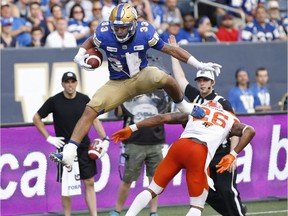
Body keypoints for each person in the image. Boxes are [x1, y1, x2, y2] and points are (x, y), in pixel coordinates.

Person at [58, 3, 221, 167]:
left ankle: (183, 106)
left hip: (142, 75)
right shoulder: (104, 31)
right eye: (117, 27)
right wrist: (80, 55)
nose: (119, 31)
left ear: (134, 24)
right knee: (90, 109)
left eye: (123, 27)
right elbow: (90, 41)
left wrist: (199, 64)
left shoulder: (144, 32)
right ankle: (70, 151)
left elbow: (171, 50)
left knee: (166, 79)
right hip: (117, 82)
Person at [111, 100, 256, 216]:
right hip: (199, 151)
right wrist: (233, 154)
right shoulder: (230, 118)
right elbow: (250, 130)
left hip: (179, 146)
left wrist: (132, 128)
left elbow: (162, 118)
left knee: (152, 190)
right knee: (197, 207)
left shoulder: (196, 109)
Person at [169, 35, 247, 216]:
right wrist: (174, 52)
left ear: (213, 82)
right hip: (202, 155)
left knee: (227, 190)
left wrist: (232, 155)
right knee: (207, 193)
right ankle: (235, 213)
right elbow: (179, 77)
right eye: (200, 80)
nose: (202, 82)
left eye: (205, 80)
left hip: (221, 153)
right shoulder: (194, 96)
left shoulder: (223, 103)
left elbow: (235, 130)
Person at [32, 71, 109, 216]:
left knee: (89, 182)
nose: (70, 85)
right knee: (67, 187)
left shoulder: (84, 99)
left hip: (84, 146)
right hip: (65, 149)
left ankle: (94, 214)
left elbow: (95, 119)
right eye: (67, 82)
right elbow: (36, 118)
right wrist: (48, 137)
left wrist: (105, 138)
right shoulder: (54, 101)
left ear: (76, 83)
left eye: (72, 81)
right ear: (62, 84)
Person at [110, 89, 171, 216]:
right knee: (128, 179)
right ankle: (117, 211)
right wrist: (118, 97)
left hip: (156, 142)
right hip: (134, 143)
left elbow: (168, 113)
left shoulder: (161, 93)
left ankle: (153, 212)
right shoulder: (130, 90)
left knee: (155, 181)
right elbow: (119, 114)